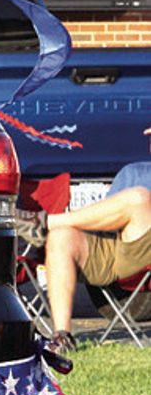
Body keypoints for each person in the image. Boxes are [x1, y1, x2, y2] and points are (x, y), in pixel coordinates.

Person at [15, 134, 151, 372]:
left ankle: (45, 222)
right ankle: (62, 336)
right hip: (118, 278)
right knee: (62, 236)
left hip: (146, 283)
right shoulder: (133, 172)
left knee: (140, 198)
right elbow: (107, 227)